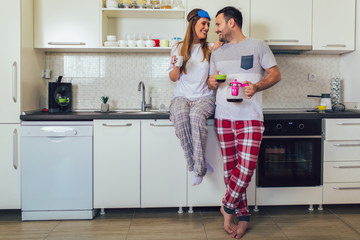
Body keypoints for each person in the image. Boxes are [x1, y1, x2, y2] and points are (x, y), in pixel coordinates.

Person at [207, 6, 281, 239]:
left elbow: (275, 74)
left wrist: (257, 86)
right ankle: (244, 217)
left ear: (232, 23)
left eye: (218, 24)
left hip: (250, 117)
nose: (215, 29)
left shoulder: (258, 45)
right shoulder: (216, 52)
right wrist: (211, 81)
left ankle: (227, 206)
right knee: (231, 171)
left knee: (246, 167)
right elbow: (211, 82)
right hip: (224, 117)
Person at [169, 8, 219, 186]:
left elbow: (212, 81)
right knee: (181, 118)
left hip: (204, 97)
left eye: (208, 25)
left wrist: (216, 81)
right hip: (181, 96)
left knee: (196, 117)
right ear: (193, 24)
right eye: (203, 24)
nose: (207, 28)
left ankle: (197, 169)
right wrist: (177, 65)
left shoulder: (210, 49)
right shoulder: (177, 47)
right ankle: (199, 164)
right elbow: (173, 78)